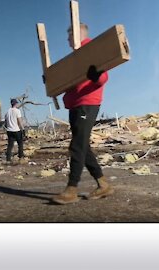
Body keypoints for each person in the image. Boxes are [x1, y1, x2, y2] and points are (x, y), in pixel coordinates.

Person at [51, 23, 114, 204]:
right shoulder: (75, 57)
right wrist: (52, 82)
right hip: (76, 105)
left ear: (79, 35)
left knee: (77, 146)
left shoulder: (90, 49)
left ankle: (72, 189)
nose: (68, 40)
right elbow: (67, 81)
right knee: (83, 147)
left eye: (70, 36)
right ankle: (103, 185)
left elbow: (103, 75)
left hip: (87, 105)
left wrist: (96, 76)